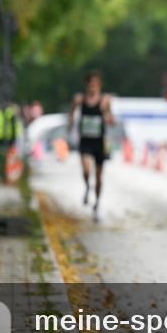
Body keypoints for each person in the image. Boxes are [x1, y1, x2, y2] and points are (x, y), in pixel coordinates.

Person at [68, 71, 113, 221]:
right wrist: (70, 124)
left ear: (99, 85)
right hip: (86, 140)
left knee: (99, 176)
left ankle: (97, 204)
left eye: (95, 84)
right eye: (90, 84)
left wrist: (107, 117)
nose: (93, 87)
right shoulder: (80, 99)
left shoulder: (105, 100)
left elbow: (110, 118)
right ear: (87, 85)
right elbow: (71, 112)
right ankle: (87, 186)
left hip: (99, 141)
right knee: (86, 169)